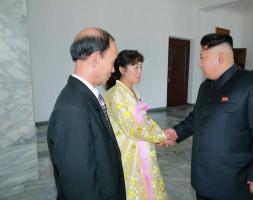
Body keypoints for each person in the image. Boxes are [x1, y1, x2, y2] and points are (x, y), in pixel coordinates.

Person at [164, 33, 253, 200]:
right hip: (202, 177)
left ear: (220, 58)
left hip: (233, 181)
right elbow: (197, 117)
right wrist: (177, 132)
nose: (199, 64)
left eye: (202, 58)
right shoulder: (205, 87)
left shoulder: (252, 83)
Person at [47, 27, 126, 200]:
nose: (113, 70)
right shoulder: (72, 110)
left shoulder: (85, 95)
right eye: (112, 62)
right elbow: (79, 186)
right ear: (96, 58)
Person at [105, 50, 175, 200]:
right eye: (135, 67)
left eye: (141, 67)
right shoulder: (115, 94)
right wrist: (161, 136)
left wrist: (161, 134)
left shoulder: (133, 91)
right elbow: (131, 127)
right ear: (122, 69)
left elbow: (145, 120)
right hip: (129, 152)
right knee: (134, 189)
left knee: (148, 186)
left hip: (141, 147)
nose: (139, 72)